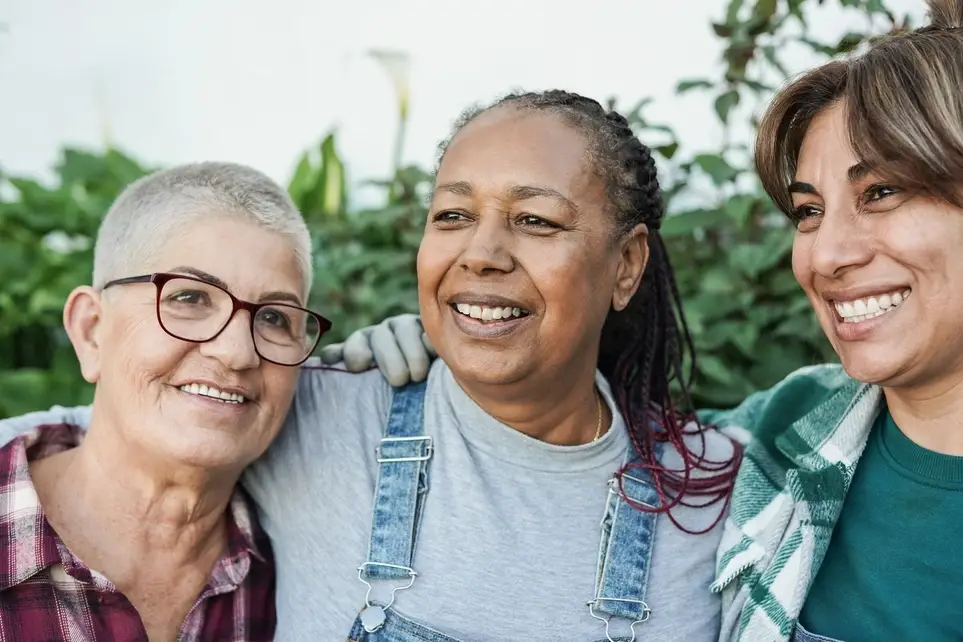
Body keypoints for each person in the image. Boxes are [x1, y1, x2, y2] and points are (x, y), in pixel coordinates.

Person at [1, 92, 742, 641]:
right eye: (451, 216)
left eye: (535, 220)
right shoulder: (326, 414)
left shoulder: (718, 499)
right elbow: (136, 420)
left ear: (626, 264)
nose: (480, 253)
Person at [329, 1, 963, 640]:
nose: (826, 253)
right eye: (807, 212)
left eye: (881, 192)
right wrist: (447, 349)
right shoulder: (780, 441)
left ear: (628, 262)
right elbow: (578, 438)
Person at [0, 161, 333, 640]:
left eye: (275, 318)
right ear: (92, 332)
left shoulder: (303, 582)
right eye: (190, 298)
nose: (237, 353)